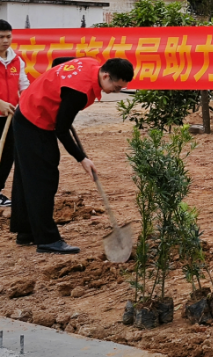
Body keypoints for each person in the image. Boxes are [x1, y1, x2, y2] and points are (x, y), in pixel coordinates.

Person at [10, 56, 134, 254]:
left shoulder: (91, 63)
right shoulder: (79, 92)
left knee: (27, 177)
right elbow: (61, 129)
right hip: (34, 120)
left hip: (27, 110)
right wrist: (81, 158)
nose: (116, 92)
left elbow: (59, 60)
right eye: (117, 87)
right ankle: (47, 240)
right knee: (43, 179)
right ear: (106, 75)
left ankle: (26, 232)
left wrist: (58, 89)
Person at [0, 20, 29, 209]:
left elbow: (24, 85)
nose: (5, 41)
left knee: (7, 154)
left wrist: (25, 101)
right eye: (1, 37)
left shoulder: (16, 60)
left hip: (10, 118)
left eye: (8, 36)